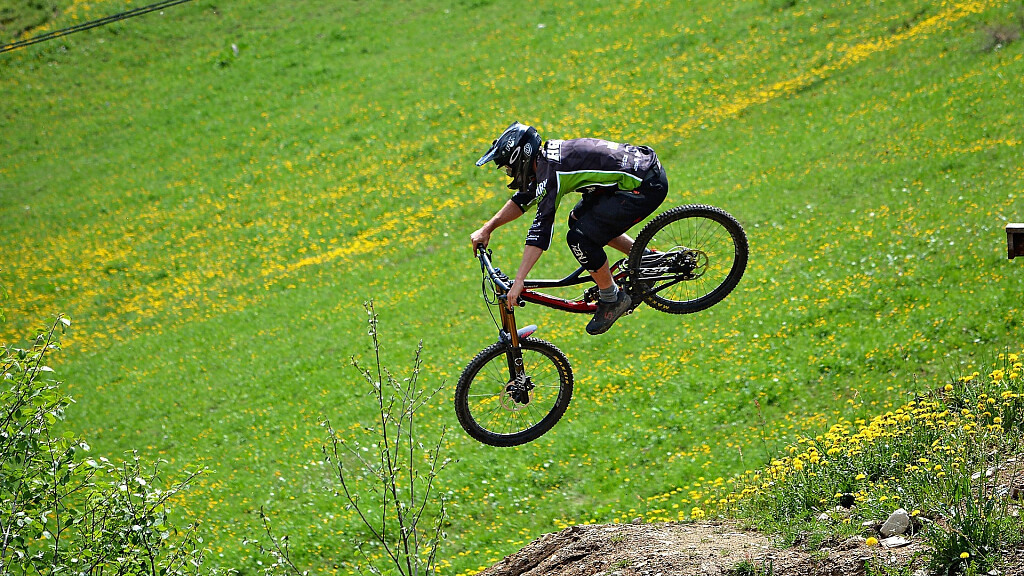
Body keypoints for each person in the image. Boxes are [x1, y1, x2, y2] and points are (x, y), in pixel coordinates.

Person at [471, 122, 669, 335]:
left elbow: (541, 230)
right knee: (578, 220)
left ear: (521, 158)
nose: (510, 174)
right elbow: (524, 199)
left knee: (579, 238)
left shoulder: (551, 173)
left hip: (644, 187)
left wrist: (519, 281)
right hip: (640, 173)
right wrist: (487, 228)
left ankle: (612, 298)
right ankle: (647, 259)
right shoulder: (546, 161)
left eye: (509, 168)